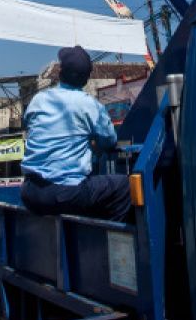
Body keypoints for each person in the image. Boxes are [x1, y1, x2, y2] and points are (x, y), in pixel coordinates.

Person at [20, 46, 131, 221]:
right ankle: (112, 243)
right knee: (124, 186)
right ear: (86, 79)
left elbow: (29, 124)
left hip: (30, 193)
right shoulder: (90, 105)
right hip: (64, 194)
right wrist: (94, 144)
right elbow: (110, 140)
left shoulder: (38, 99)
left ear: (60, 72)